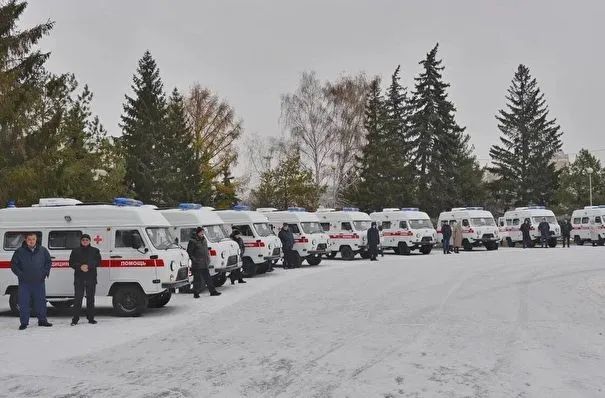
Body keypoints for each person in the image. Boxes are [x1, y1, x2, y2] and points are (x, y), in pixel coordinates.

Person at [10, 232, 53, 330]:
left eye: (33, 239)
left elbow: (48, 262)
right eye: (29, 239)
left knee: (41, 302)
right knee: (24, 302)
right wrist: (21, 275)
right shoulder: (19, 251)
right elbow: (13, 265)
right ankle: (24, 323)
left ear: (36, 239)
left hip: (39, 281)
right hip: (25, 283)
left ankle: (42, 321)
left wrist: (44, 273)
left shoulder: (43, 250)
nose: (31, 241)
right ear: (26, 240)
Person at [69, 234, 102, 326]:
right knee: (78, 299)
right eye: (83, 240)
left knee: (90, 299)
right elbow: (71, 263)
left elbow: (98, 262)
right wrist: (80, 267)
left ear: (90, 241)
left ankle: (91, 318)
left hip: (91, 278)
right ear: (80, 241)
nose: (85, 241)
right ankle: (75, 319)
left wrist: (88, 266)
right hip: (79, 278)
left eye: (87, 240)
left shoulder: (95, 251)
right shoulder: (75, 251)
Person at [187, 227, 221, 298]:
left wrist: (208, 259)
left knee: (208, 278)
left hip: (205, 263)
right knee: (197, 279)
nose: (203, 233)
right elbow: (189, 253)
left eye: (203, 232)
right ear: (198, 232)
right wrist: (195, 260)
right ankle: (196, 293)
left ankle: (212, 291)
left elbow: (206, 251)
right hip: (197, 264)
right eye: (202, 232)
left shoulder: (204, 240)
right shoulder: (192, 241)